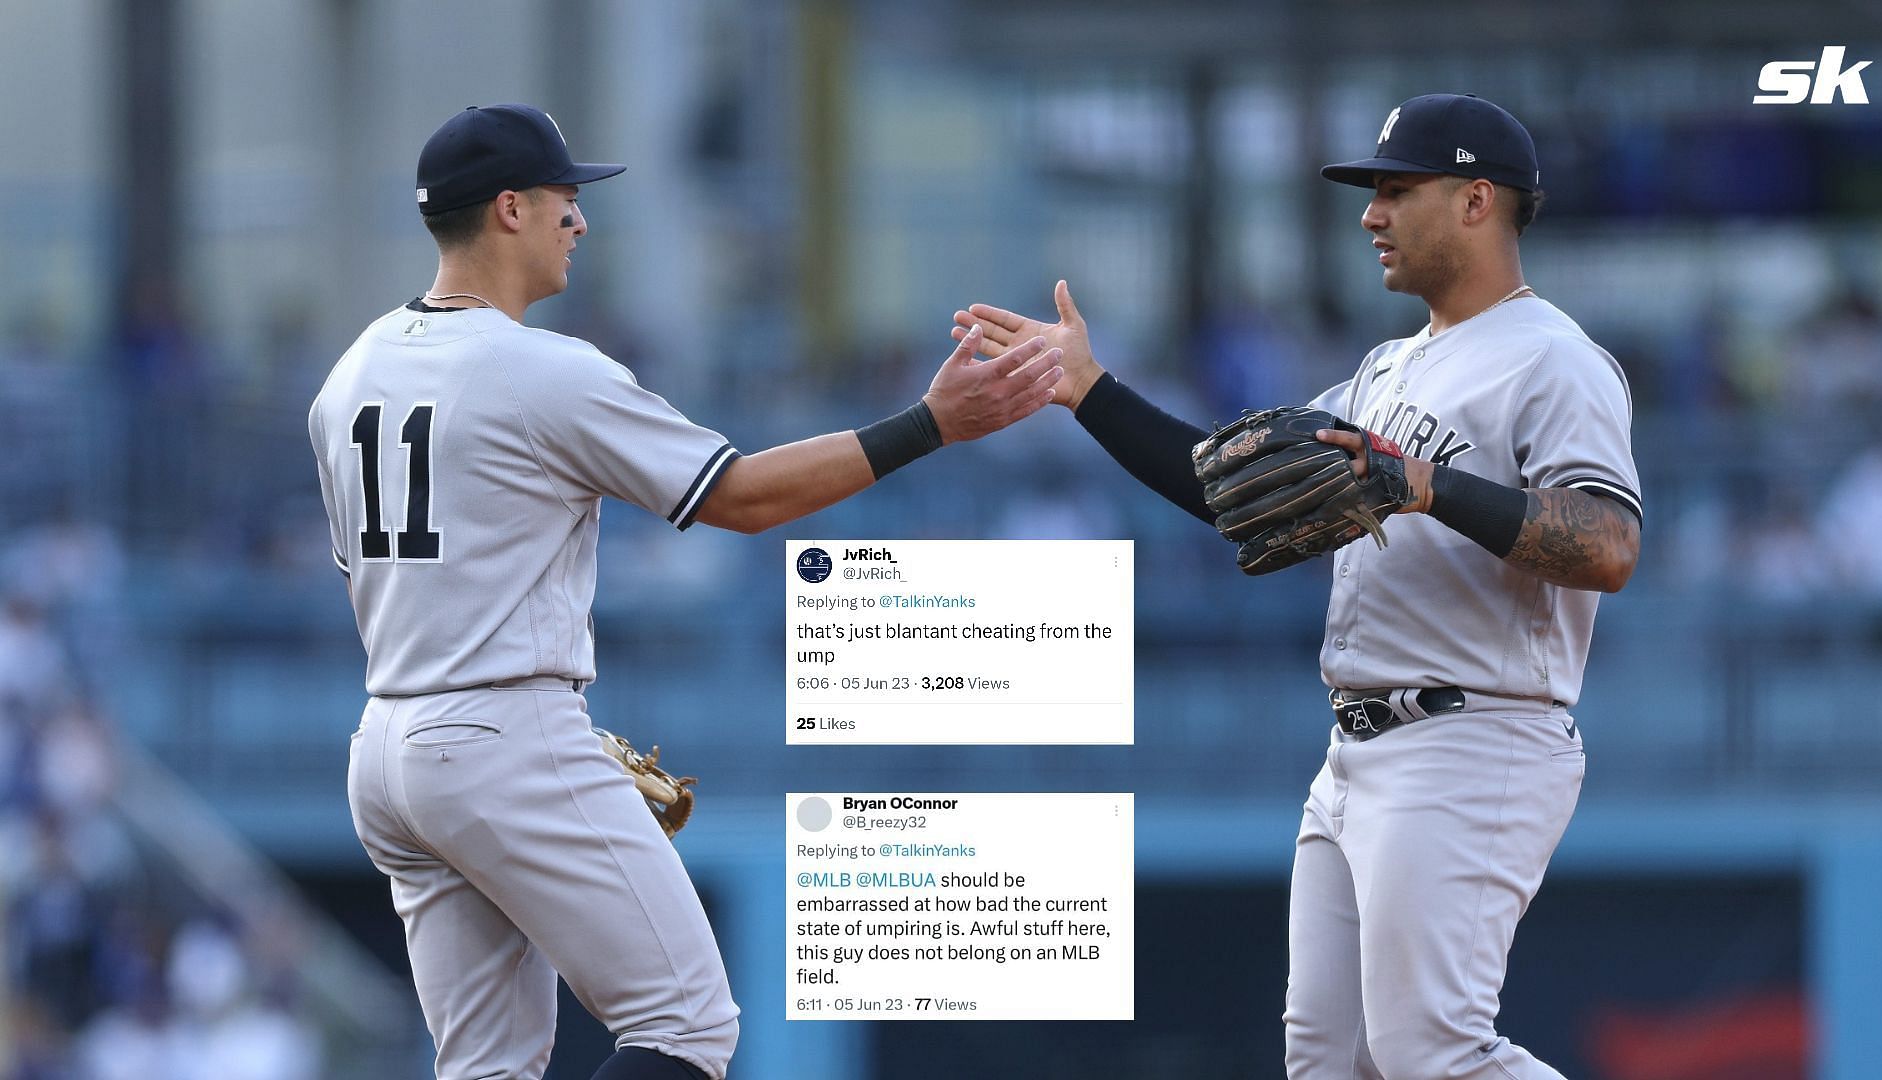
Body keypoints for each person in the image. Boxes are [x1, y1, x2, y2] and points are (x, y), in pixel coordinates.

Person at [308, 103, 1061, 1080]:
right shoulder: (540, 370)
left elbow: (374, 574)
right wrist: (930, 424)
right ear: (508, 210)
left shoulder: (348, 375)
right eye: (563, 201)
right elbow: (739, 497)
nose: (579, 221)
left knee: (487, 1068)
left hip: (389, 752)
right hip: (502, 732)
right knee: (686, 1024)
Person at [956, 93, 1640, 1079]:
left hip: (1474, 730)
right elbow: (1230, 489)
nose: (1371, 214)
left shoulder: (1556, 361)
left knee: (1432, 1054)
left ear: (1477, 200)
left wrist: (1427, 484)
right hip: (1356, 751)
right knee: (1330, 1063)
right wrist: (1088, 390)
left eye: (1397, 190)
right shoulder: (1386, 369)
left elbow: (1609, 546)